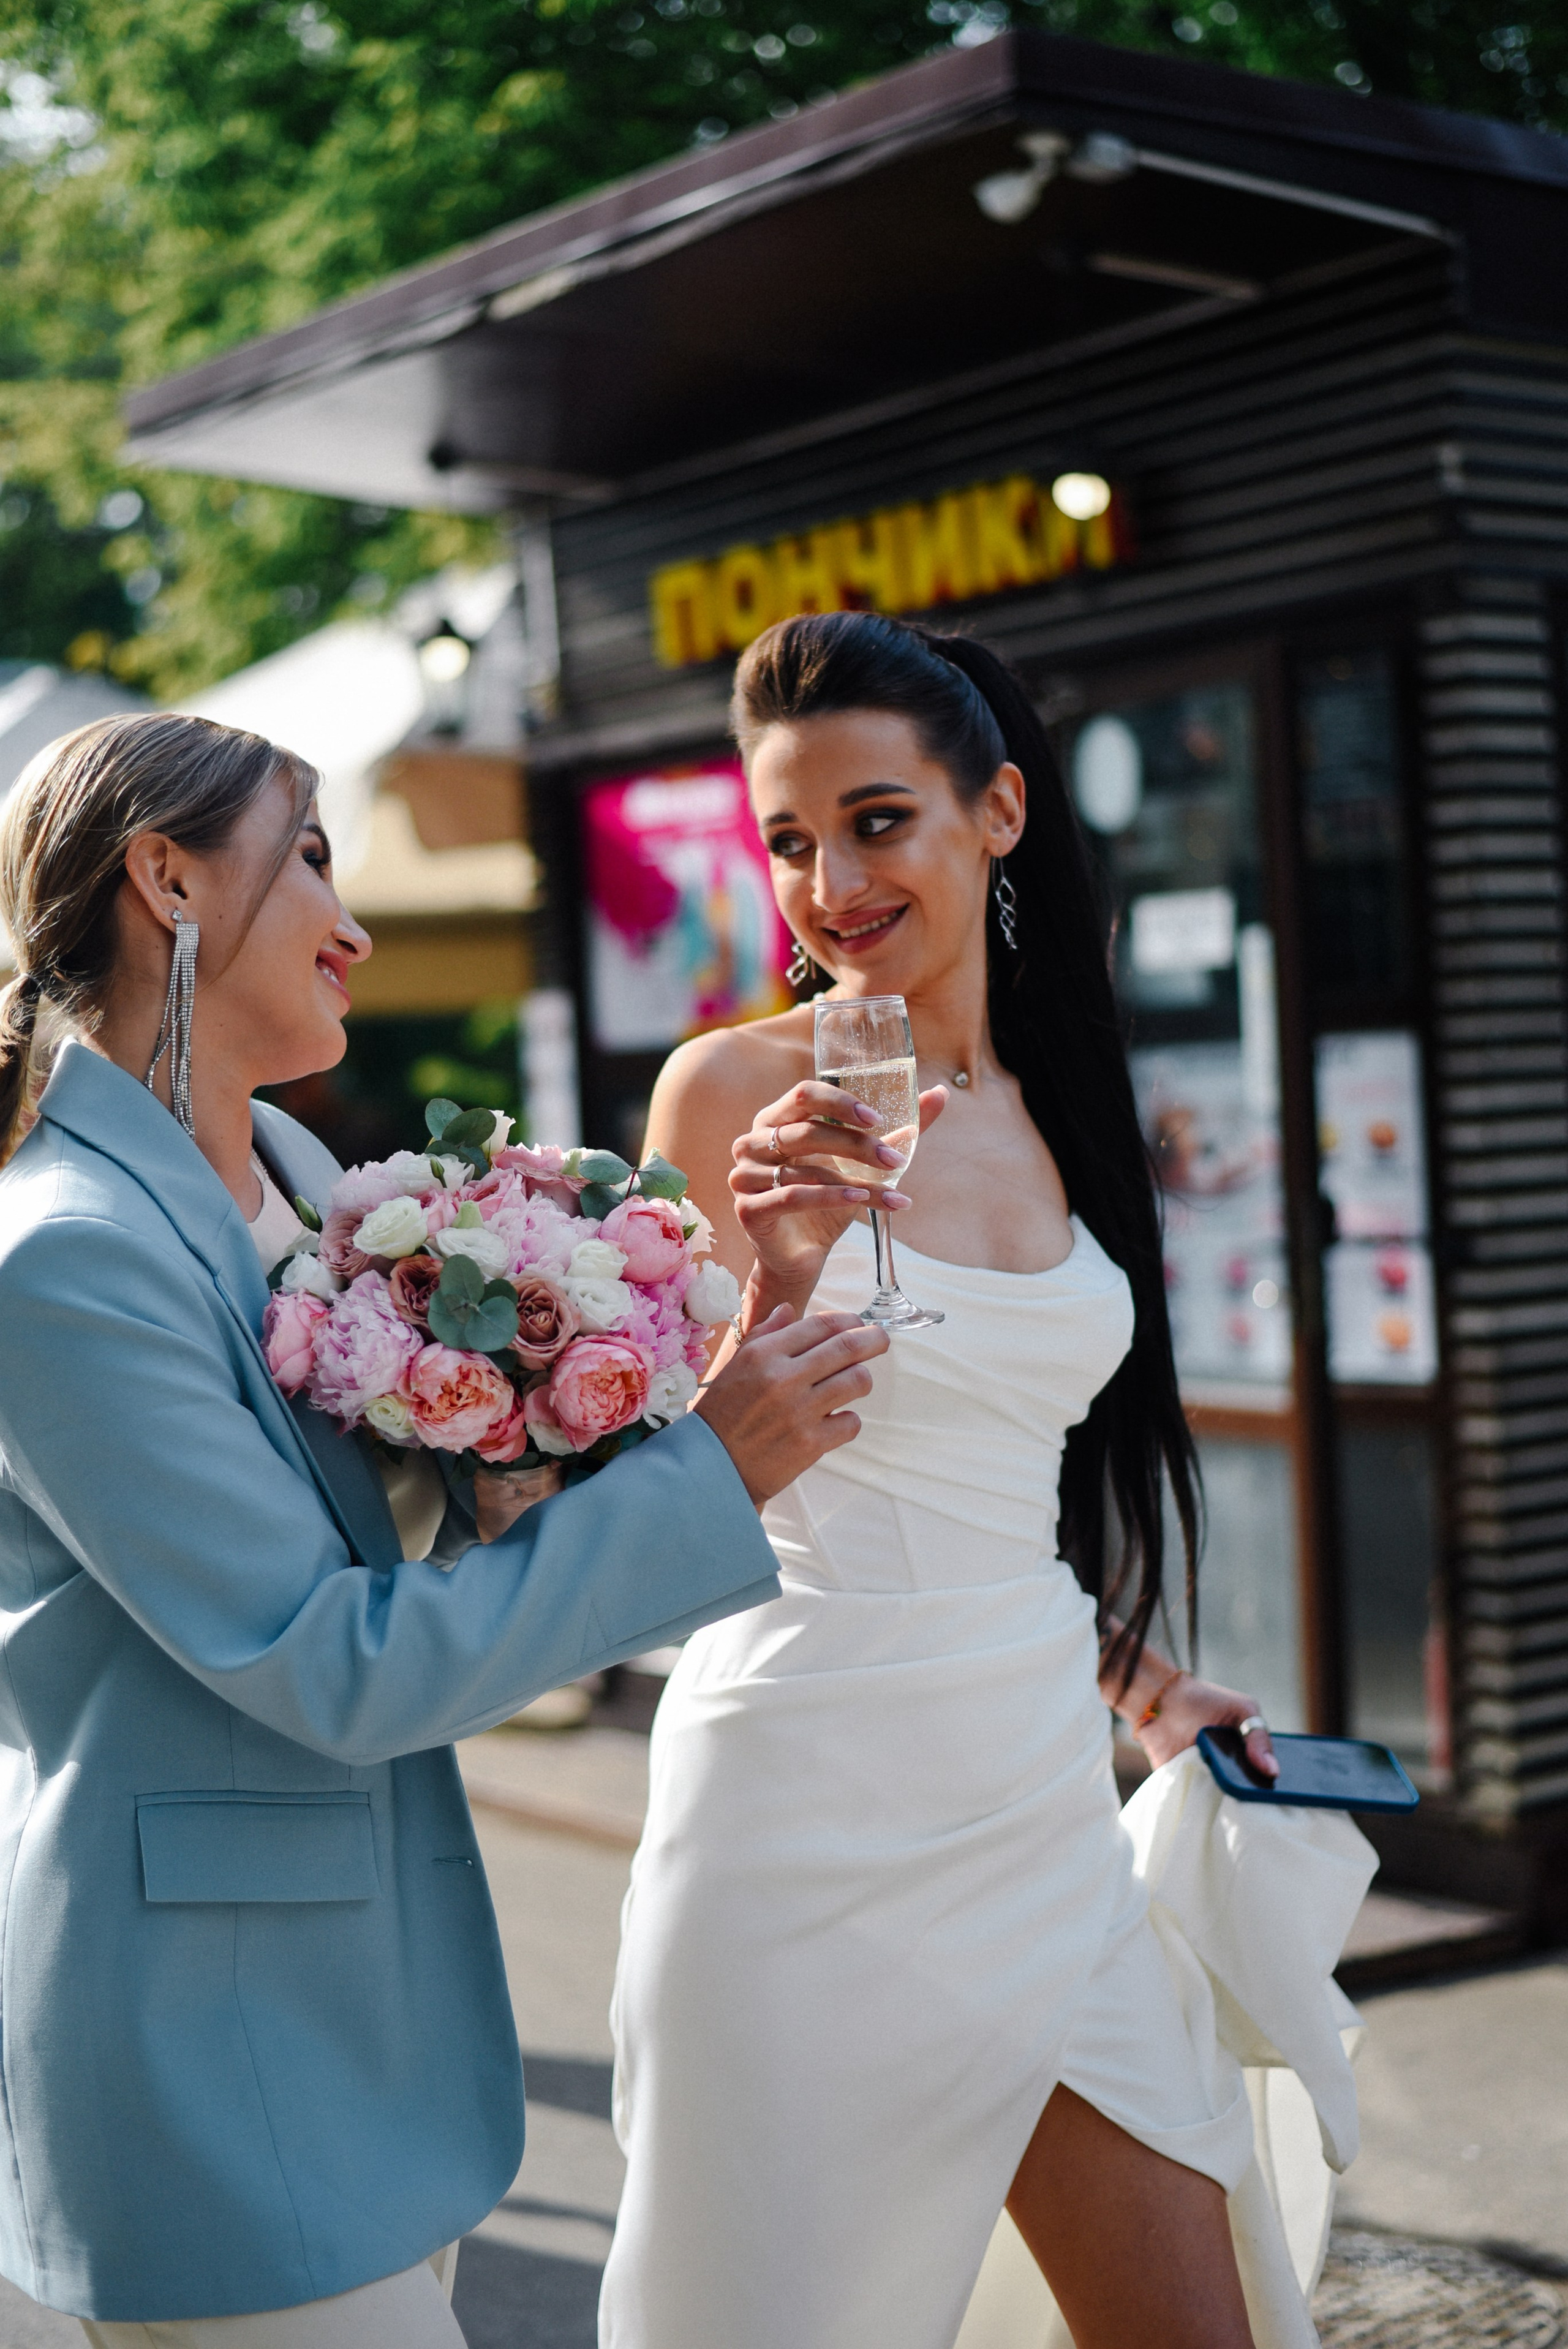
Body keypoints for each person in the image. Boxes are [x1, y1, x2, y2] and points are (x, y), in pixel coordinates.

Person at [0, 711, 886, 2347]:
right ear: (167, 877)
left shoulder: (276, 1160)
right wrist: (714, 1472)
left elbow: (355, 1525)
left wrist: (503, 1461)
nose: (353, 923)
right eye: (313, 855)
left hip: (367, 2006)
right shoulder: (64, 1257)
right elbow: (323, 1655)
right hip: (209, 2043)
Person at [601, 613, 1294, 2349]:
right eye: (787, 837)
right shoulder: (725, 1093)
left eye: (877, 818)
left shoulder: (1066, 1101)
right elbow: (638, 1498)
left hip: (1038, 1812)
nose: (828, 878)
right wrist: (775, 1271)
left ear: (996, 813)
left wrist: (1140, 1680)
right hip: (794, 1805)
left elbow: (999, 1469)